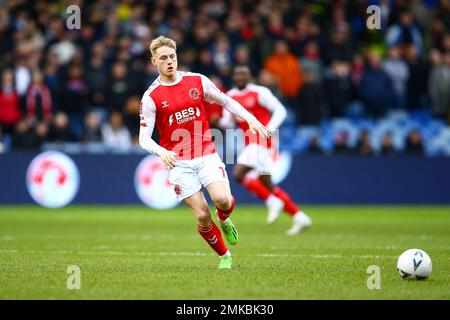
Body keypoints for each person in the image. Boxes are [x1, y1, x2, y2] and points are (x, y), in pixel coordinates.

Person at [138, 36, 270, 269]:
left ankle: (225, 218)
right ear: (154, 62)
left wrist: (250, 119)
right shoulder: (151, 97)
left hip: (206, 152)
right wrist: (161, 151)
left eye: (172, 56)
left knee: (222, 199)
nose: (169, 61)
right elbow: (143, 138)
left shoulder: (197, 81)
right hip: (178, 162)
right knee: (201, 216)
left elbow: (226, 101)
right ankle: (224, 256)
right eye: (163, 58)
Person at [222, 65, 312, 236]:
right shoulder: (230, 96)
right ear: (233, 77)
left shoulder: (259, 92)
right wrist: (220, 120)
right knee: (267, 183)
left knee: (239, 174)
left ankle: (272, 201)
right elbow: (227, 123)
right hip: (249, 143)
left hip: (263, 141)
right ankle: (299, 216)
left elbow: (280, 110)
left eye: (244, 74)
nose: (241, 77)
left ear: (249, 76)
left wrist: (270, 128)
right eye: (237, 74)